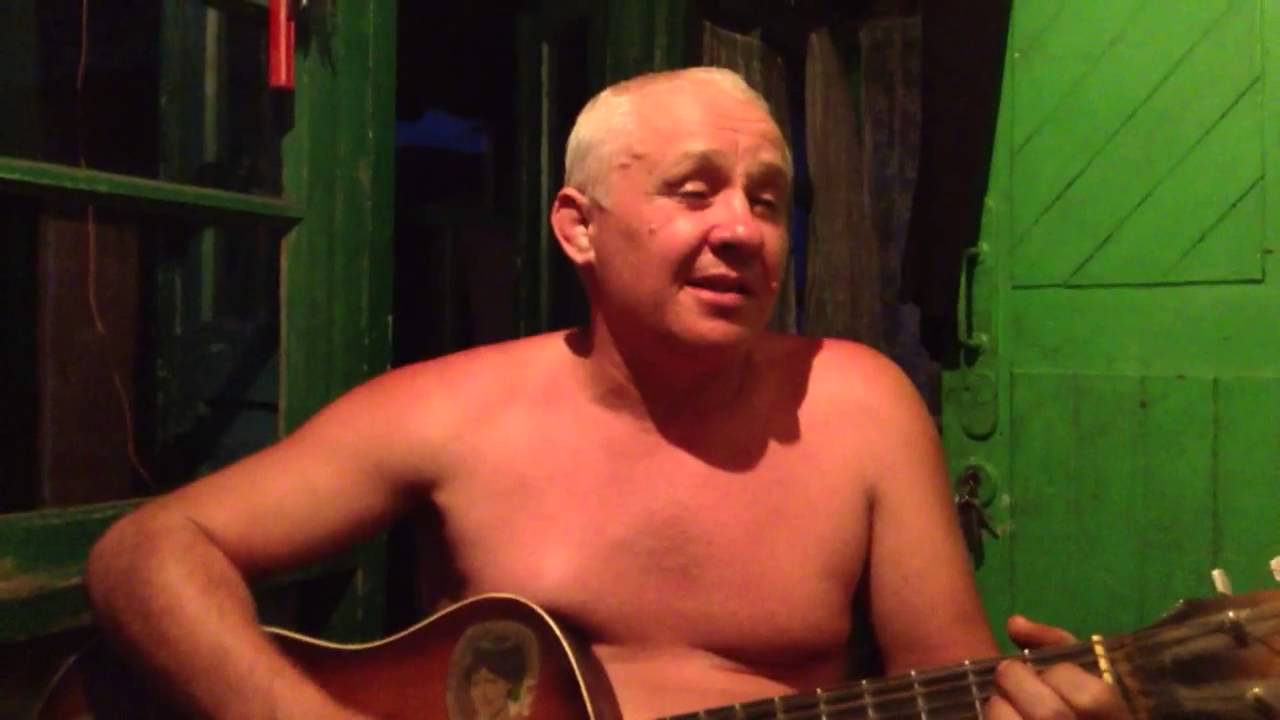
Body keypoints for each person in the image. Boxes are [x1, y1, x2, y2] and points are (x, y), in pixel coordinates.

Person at [85, 67, 1128, 719]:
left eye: (769, 200)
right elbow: (146, 551)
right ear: (578, 228)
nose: (742, 229)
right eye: (694, 190)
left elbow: (950, 678)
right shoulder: (452, 411)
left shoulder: (860, 404)